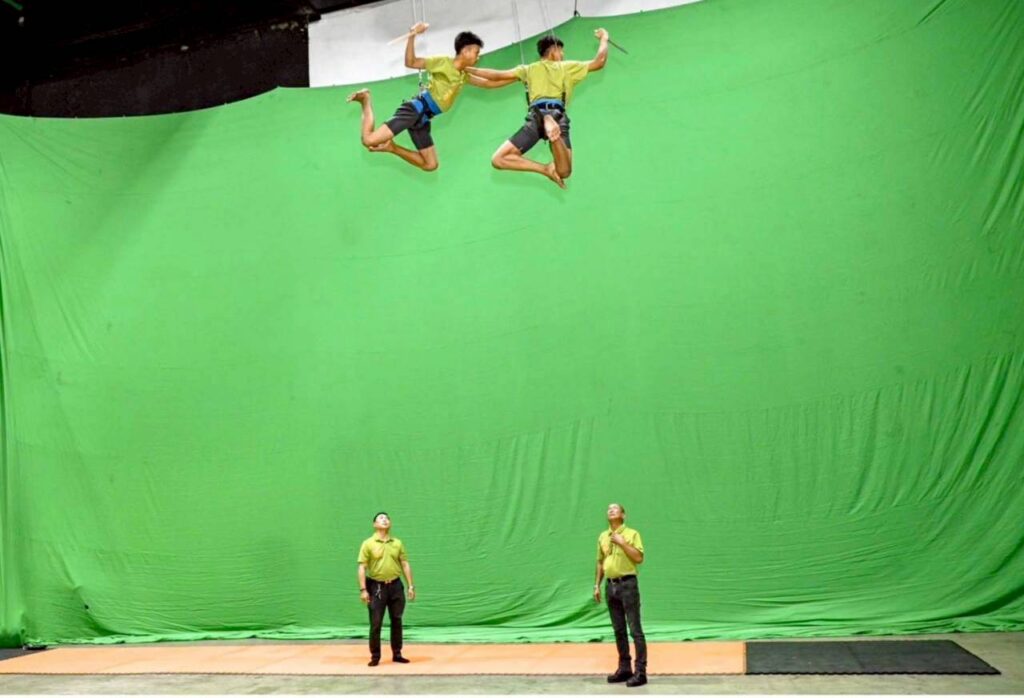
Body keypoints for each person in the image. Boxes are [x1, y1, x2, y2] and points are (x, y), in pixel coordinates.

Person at [347, 24, 516, 171]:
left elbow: (488, 83)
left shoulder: (463, 75)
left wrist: (517, 77)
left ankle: (392, 148)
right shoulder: (443, 62)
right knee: (368, 140)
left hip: (423, 119)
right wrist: (413, 34)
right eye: (476, 52)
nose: (478, 57)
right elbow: (411, 62)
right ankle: (366, 100)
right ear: (465, 50)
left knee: (430, 165)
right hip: (415, 109)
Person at [465, 29, 610, 188]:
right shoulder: (566, 67)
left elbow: (493, 79)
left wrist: (464, 70)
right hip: (556, 115)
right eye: (561, 51)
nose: (563, 55)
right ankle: (547, 159)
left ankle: (549, 126)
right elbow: (599, 61)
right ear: (554, 50)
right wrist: (604, 38)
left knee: (499, 159)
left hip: (536, 117)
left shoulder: (528, 69)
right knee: (564, 172)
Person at [594, 502, 647, 686]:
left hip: (628, 585)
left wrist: (623, 543)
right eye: (609, 509)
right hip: (610, 586)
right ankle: (625, 668)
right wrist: (596, 585)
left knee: (635, 630)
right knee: (619, 630)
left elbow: (639, 558)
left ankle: (640, 672)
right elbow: (600, 562)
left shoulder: (632, 534)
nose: (611, 510)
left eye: (615, 508)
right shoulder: (603, 536)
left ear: (623, 515)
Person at [357, 512, 415, 666]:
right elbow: (362, 567)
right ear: (374, 524)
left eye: (387, 518)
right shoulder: (368, 543)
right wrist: (363, 590)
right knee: (376, 623)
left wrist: (410, 586)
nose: (385, 520)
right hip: (376, 587)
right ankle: (375, 656)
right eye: (381, 518)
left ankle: (397, 654)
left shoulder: (397, 543)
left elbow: (405, 564)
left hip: (396, 586)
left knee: (397, 620)